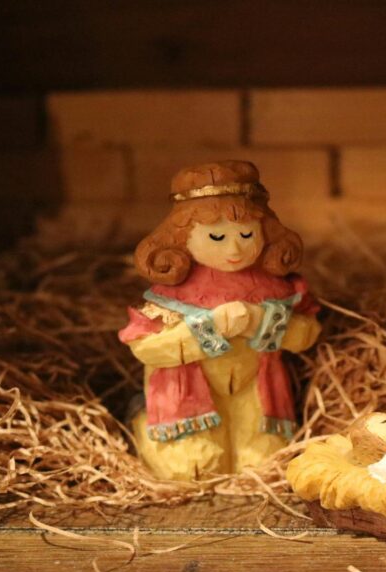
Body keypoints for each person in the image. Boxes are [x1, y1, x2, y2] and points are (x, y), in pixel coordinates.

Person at [119, 160, 320, 481]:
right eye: (216, 237)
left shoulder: (274, 287)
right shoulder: (173, 294)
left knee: (264, 468)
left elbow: (306, 334)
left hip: (256, 395)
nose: (235, 249)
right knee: (192, 470)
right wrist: (210, 327)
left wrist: (260, 321)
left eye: (245, 234)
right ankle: (143, 423)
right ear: (182, 237)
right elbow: (146, 348)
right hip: (187, 403)